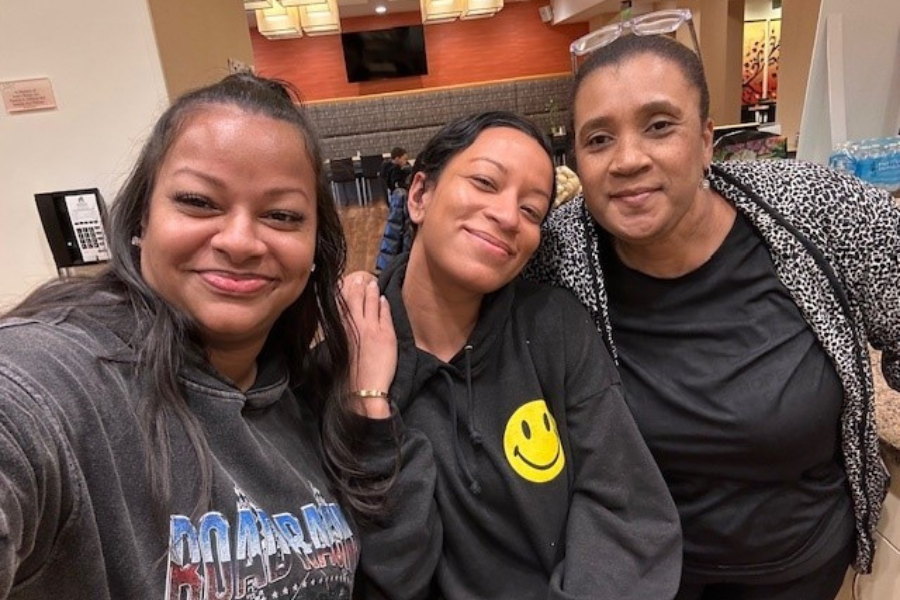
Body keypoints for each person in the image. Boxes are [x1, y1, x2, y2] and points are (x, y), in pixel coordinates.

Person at [525, 32, 900, 600]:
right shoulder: (557, 252)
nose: (628, 160)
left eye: (659, 126)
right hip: (639, 574)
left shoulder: (816, 208)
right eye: (599, 139)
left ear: (705, 140)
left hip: (800, 567)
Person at [0, 73, 381, 599]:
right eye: (199, 202)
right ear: (142, 219)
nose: (240, 241)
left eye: (281, 215)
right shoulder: (57, 379)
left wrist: (368, 401)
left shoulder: (300, 396)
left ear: (316, 246)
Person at [344, 111, 682, 600]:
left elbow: (627, 511)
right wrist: (372, 409)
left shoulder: (553, 327)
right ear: (419, 195)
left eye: (531, 210)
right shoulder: (347, 353)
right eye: (485, 182)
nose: (507, 217)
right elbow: (391, 573)